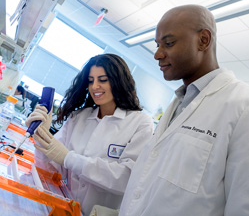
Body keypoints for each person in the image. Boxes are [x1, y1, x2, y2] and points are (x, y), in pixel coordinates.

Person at [119, 4, 249, 216]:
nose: (157, 54)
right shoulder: (179, 102)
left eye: (168, 43)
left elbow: (243, 207)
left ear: (203, 40)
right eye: (157, 45)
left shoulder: (242, 105)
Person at [25, 53, 154, 216]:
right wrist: (41, 136)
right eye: (91, 80)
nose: (94, 87)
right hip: (62, 209)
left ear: (118, 81)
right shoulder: (79, 117)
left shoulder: (140, 123)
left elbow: (126, 178)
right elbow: (49, 171)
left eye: (102, 80)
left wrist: (69, 158)